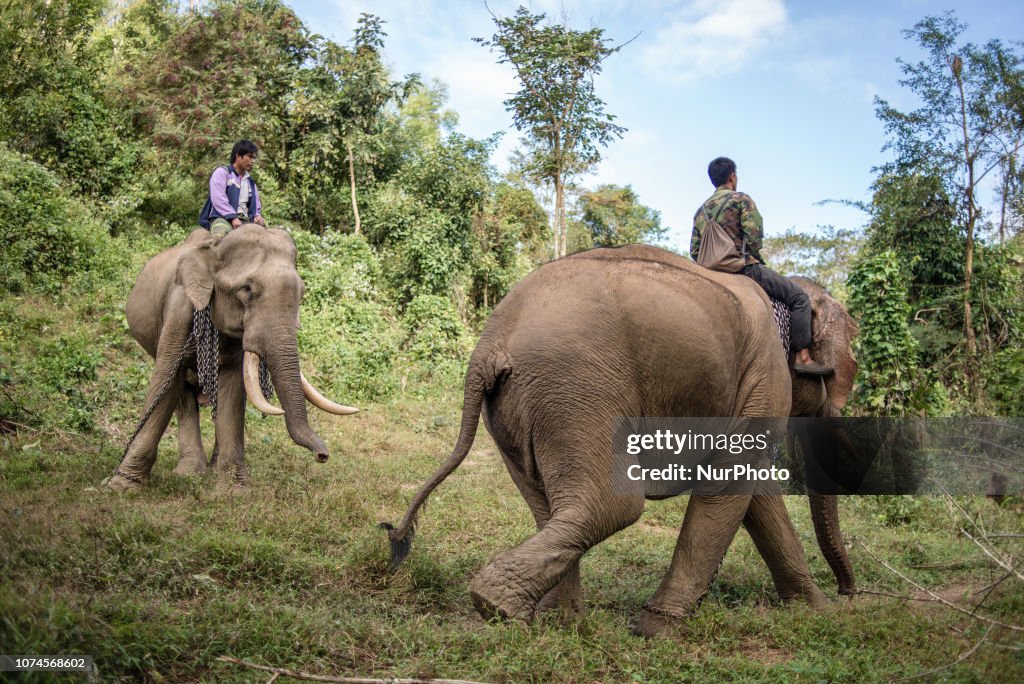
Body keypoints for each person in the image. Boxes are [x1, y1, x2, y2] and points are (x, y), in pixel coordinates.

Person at [691, 157, 832, 376]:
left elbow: (694, 251)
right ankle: (802, 357)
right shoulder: (741, 199)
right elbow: (754, 237)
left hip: (707, 274)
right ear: (732, 176)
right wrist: (750, 257)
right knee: (799, 298)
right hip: (743, 268)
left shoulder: (701, 211)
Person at [198, 139, 265, 235]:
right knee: (220, 236)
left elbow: (256, 207)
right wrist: (233, 218)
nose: (252, 161)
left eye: (254, 158)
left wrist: (257, 217)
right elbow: (218, 199)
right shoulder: (222, 173)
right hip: (222, 218)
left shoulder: (251, 183)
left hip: (246, 221)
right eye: (249, 157)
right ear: (238, 156)